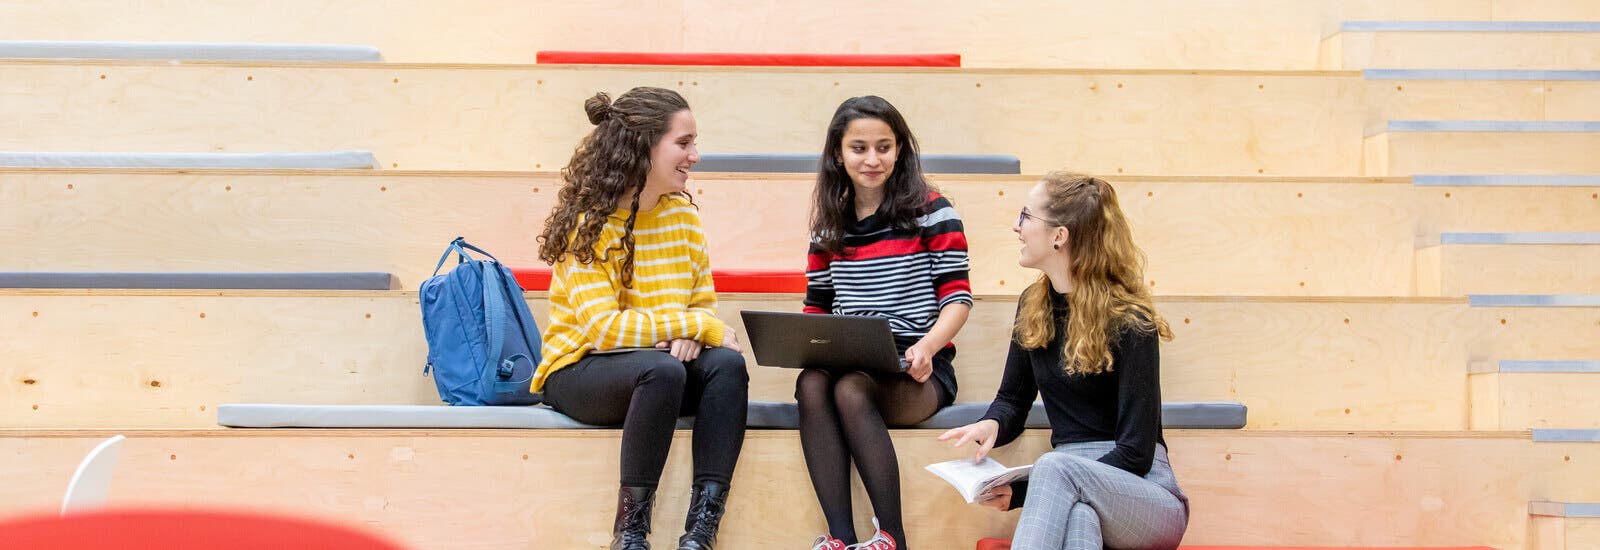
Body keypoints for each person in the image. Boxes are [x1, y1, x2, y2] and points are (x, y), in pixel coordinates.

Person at [532, 87, 748, 550]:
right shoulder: (588, 223)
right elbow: (605, 331)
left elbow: (701, 304)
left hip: (659, 366)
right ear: (643, 146)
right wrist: (689, 327)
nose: (696, 155)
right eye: (684, 143)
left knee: (727, 366)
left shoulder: (682, 218)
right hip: (579, 371)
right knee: (663, 368)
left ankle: (701, 531)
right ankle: (630, 534)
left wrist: (691, 327)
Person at [939, 172, 1188, 550]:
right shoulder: (1032, 305)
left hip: (1146, 494)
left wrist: (1032, 485)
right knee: (1079, 519)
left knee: (1054, 467)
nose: (1016, 227)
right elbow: (1011, 401)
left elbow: (1137, 453)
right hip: (1075, 487)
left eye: (1025, 216)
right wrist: (990, 423)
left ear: (1059, 235)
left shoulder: (1131, 321)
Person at [799, 96, 973, 550]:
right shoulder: (827, 228)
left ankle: (893, 538)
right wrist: (809, 345)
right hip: (852, 361)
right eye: (859, 148)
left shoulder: (933, 210)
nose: (872, 159)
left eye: (884, 146)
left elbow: (958, 299)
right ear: (839, 153)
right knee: (812, 382)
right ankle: (840, 538)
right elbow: (817, 308)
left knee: (849, 388)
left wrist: (929, 348)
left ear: (900, 150)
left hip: (918, 371)